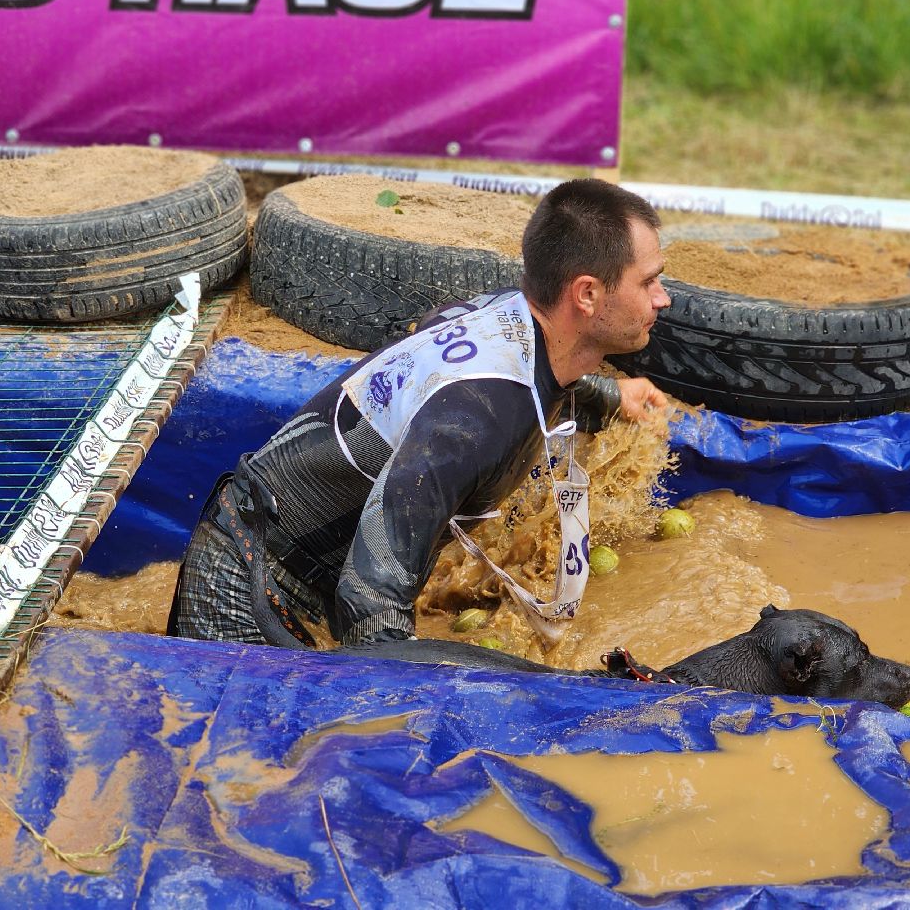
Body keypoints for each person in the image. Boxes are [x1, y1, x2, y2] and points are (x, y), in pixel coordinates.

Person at [167, 177, 670, 650]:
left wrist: (608, 397)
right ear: (586, 294)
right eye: (649, 281)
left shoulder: (507, 315)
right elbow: (369, 603)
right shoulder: (473, 423)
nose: (663, 299)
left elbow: (514, 376)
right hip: (244, 588)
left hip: (280, 554)